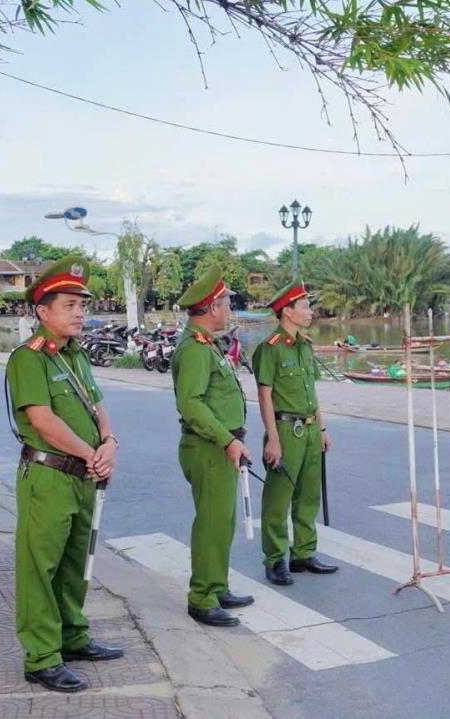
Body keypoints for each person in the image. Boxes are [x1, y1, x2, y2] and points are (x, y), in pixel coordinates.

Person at [5, 255, 124, 694]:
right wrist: (91, 452)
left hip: (83, 476)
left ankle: (72, 636)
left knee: (77, 563)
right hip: (49, 476)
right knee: (41, 567)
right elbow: (42, 419)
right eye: (69, 305)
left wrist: (109, 443)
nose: (79, 313)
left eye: (81, 305)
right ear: (42, 311)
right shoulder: (28, 359)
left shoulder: (75, 356)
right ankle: (41, 657)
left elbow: (97, 406)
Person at [171, 264, 254, 627]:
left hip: (222, 446)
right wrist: (226, 440)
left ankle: (217, 585)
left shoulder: (209, 345)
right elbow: (190, 404)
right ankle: (202, 597)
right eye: (225, 303)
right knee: (211, 523)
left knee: (223, 521)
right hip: (208, 447)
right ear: (211, 308)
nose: (229, 310)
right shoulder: (194, 349)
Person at [253, 280, 337, 587]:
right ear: (287, 311)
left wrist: (323, 427)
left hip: (311, 428)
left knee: (308, 495)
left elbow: (310, 392)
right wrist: (272, 438)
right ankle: (275, 559)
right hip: (286, 429)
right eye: (305, 306)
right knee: (278, 498)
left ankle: (303, 552)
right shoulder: (270, 349)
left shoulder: (305, 346)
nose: (310, 312)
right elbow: (265, 395)